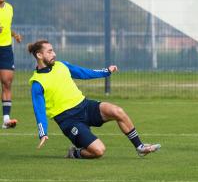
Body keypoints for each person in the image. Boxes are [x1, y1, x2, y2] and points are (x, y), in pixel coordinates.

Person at [28, 40, 161, 158]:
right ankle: (75, 153)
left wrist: (106, 71)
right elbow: (38, 110)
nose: (54, 54)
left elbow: (84, 72)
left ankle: (140, 147)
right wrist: (43, 133)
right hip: (68, 120)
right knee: (99, 151)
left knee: (117, 111)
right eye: (50, 51)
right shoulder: (37, 83)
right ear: (39, 55)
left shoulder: (61, 66)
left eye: (53, 50)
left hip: (85, 106)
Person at [0, 0, 22, 129]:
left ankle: (6, 120)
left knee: (7, 83)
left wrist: (14, 35)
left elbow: (6, 27)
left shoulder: (9, 8)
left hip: (6, 50)